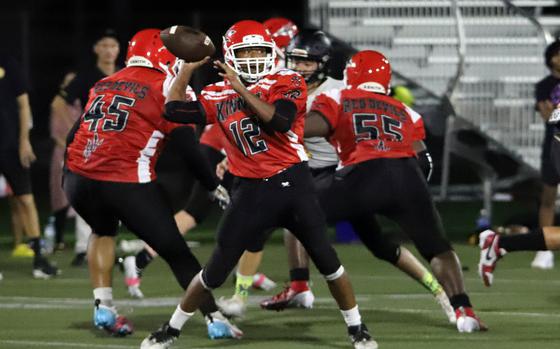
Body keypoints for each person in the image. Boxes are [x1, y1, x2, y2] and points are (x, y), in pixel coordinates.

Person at [141, 20, 378, 349]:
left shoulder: (287, 79)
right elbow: (174, 110)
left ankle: (357, 329)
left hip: (293, 183)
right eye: (246, 51)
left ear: (272, 53)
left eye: (258, 50)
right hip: (250, 190)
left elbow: (280, 122)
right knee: (215, 270)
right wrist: (185, 69)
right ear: (232, 55)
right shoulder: (217, 91)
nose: (253, 57)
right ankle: (171, 328)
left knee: (327, 260)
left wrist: (240, 88)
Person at [62, 29, 241, 339]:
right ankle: (215, 319)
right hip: (125, 181)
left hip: (77, 177)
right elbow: (189, 149)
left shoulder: (105, 83)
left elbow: (72, 136)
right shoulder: (168, 86)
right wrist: (212, 185)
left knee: (103, 230)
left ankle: (103, 306)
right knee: (177, 253)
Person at [304, 50, 486, 333]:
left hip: (362, 175)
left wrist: (276, 124)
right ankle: (464, 310)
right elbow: (424, 159)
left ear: (351, 76)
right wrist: (416, 202)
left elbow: (309, 127)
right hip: (406, 177)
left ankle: (295, 283)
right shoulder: (406, 110)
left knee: (296, 210)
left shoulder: (339, 97)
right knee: (439, 248)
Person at [49, 29, 120, 265]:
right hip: (91, 144)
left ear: (118, 50)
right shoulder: (87, 75)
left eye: (113, 46)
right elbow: (58, 103)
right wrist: (75, 129)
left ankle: (106, 244)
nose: (109, 50)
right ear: (96, 49)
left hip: (119, 145)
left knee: (115, 197)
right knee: (86, 194)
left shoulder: (126, 74)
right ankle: (83, 248)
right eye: (105, 45)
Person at [0, 53, 60, 279]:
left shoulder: (8, 62)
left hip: (11, 145)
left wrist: (25, 141)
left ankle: (39, 260)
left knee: (26, 199)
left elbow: (24, 106)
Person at [531, 40, 560, 269]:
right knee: (548, 197)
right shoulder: (544, 85)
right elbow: (547, 115)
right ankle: (544, 250)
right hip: (553, 145)